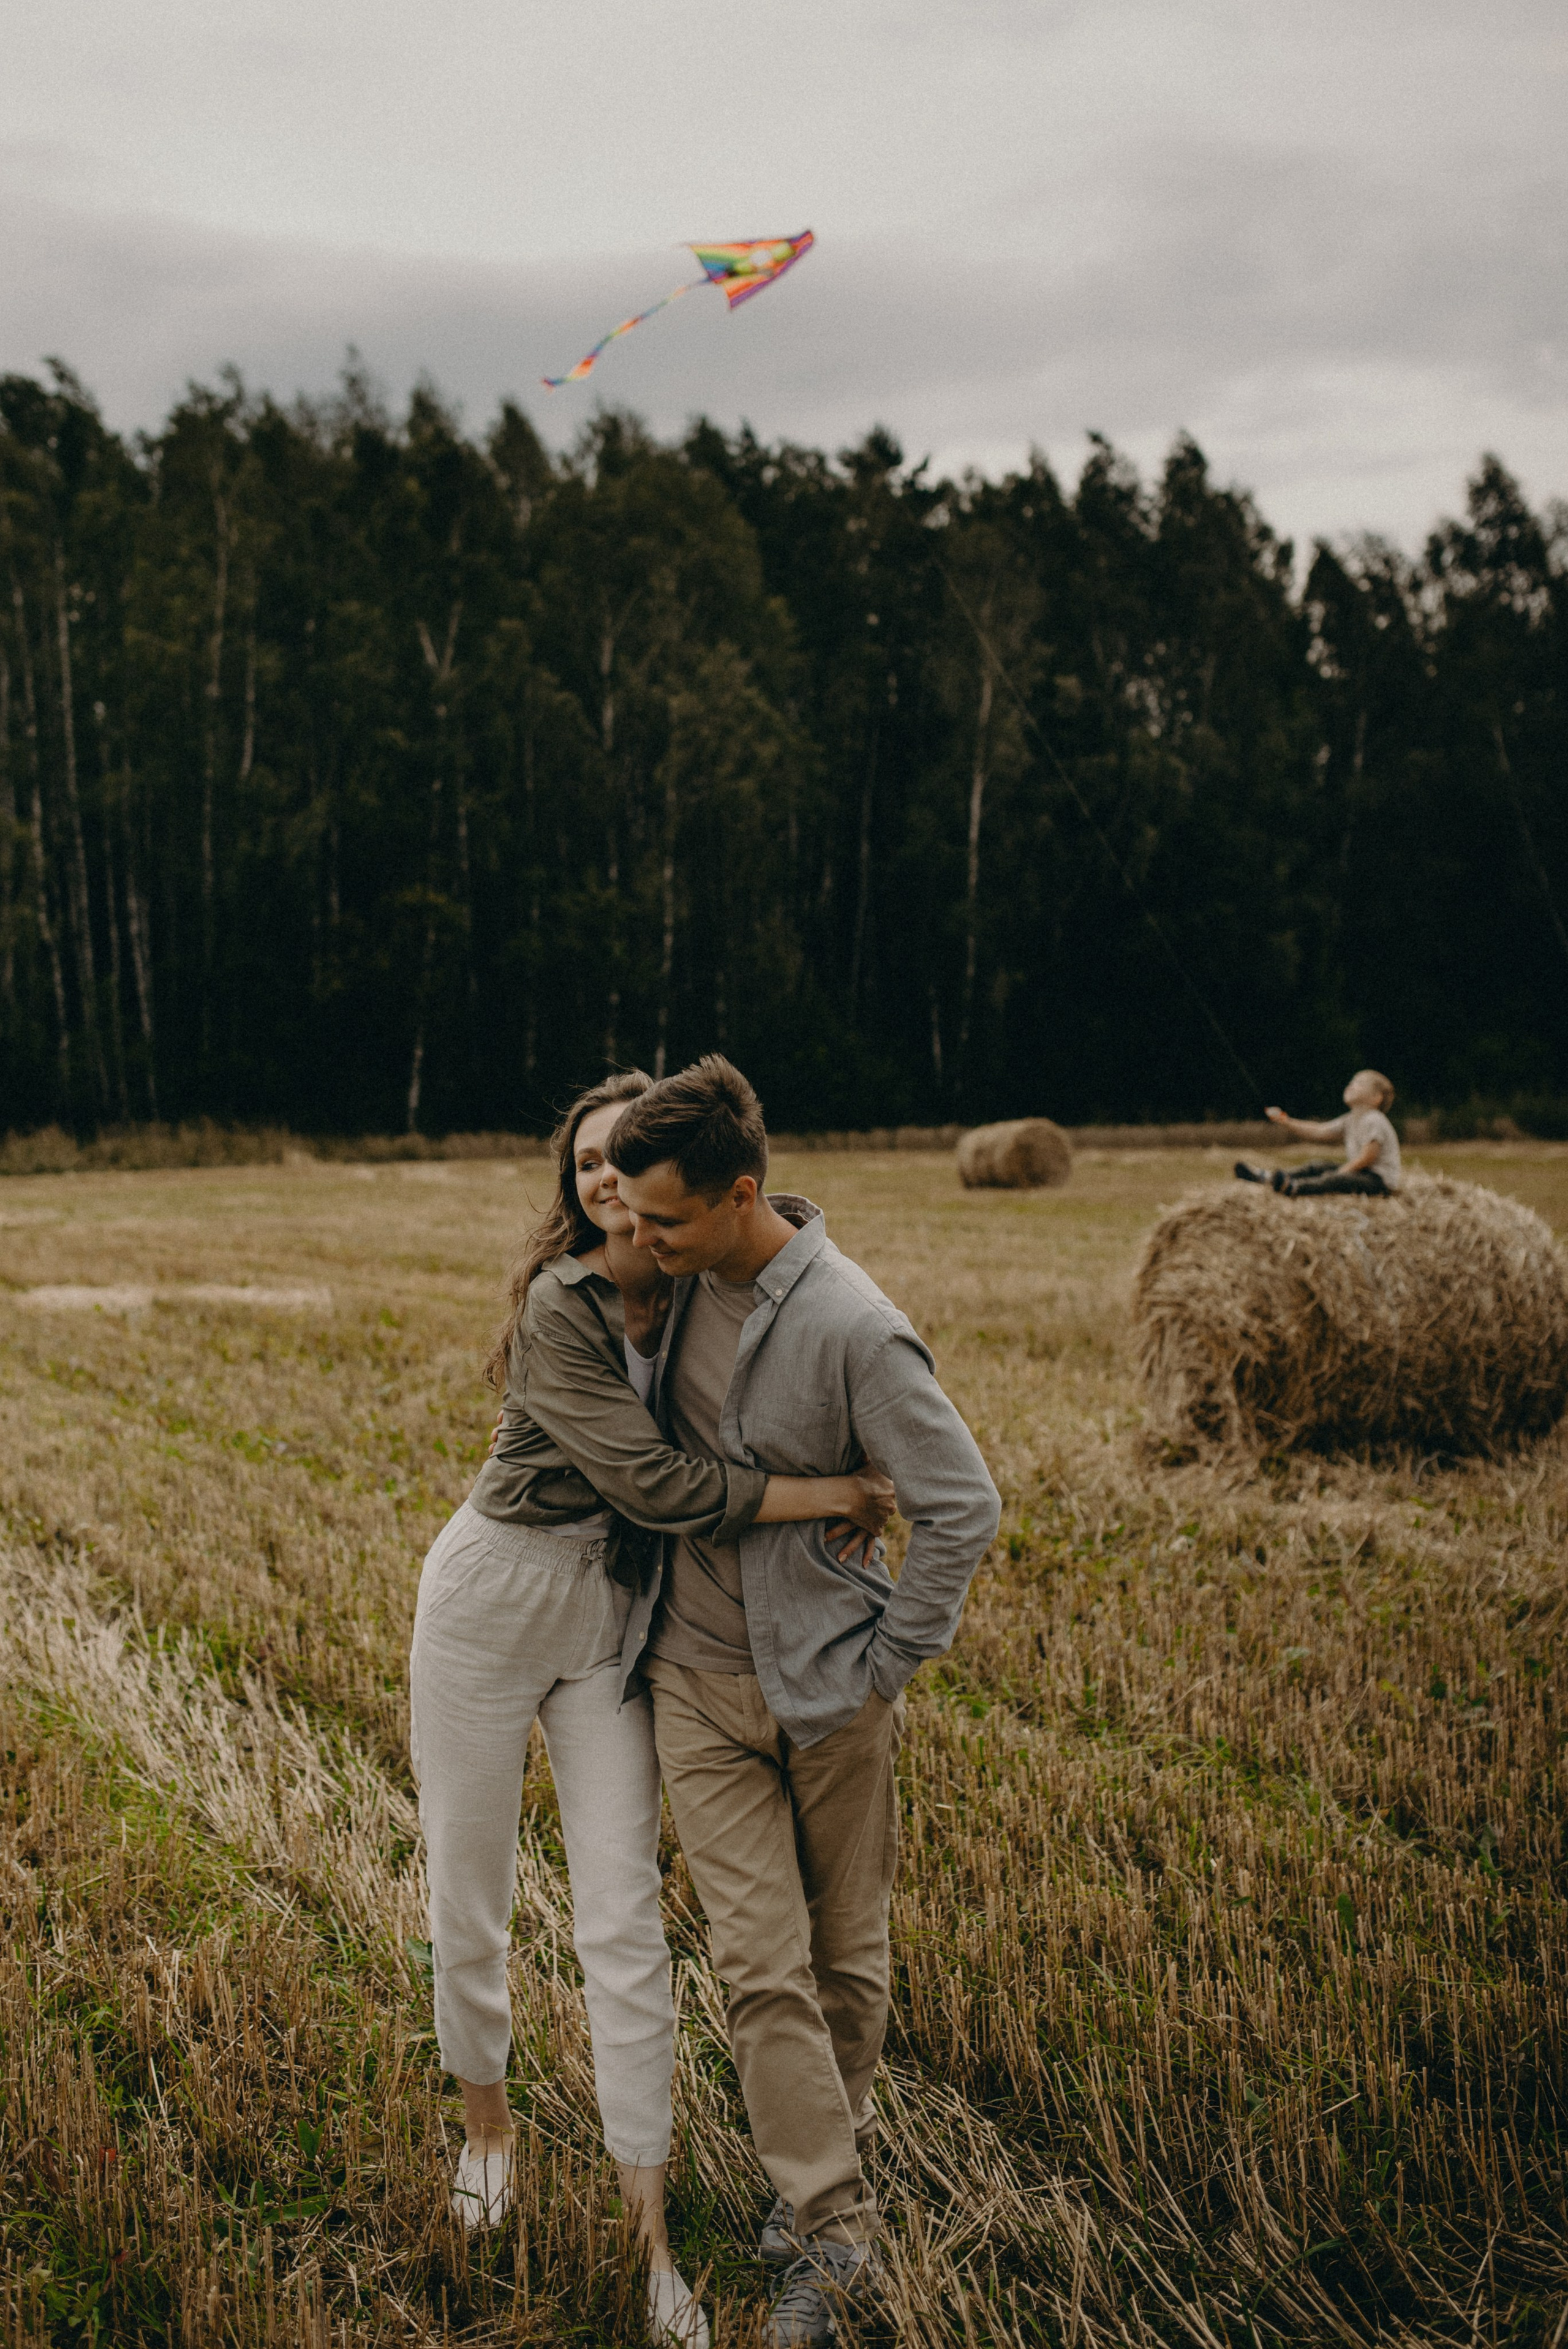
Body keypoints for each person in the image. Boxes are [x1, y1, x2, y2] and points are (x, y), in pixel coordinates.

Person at [409, 1070, 894, 2349]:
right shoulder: (559, 1305)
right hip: (492, 1598)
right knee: (471, 1896)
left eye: (625, 1162)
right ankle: (489, 2139)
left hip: (614, 1615)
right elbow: (655, 1479)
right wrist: (828, 1494)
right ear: (573, 1192)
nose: (607, 1184)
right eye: (584, 1169)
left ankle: (652, 2247)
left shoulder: (695, 1290)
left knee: (625, 1925)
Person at [596, 1056, 1002, 2349]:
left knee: (845, 1959)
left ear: (739, 1196)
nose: (638, 1238)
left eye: (663, 1219)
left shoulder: (848, 1324)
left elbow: (960, 1503)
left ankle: (824, 2144)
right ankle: (833, 2237)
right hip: (695, 1684)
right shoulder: (669, 1291)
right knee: (758, 1969)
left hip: (832, 1691)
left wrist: (889, 1657)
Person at [1234, 1068, 1402, 1197]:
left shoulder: (1374, 1119)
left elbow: (1368, 1157)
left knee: (1335, 1178)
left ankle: (1296, 1188)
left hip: (1379, 1182)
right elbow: (1319, 1131)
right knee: (1318, 1166)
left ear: (1376, 1098)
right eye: (1352, 1081)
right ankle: (1270, 1178)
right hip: (1362, 1174)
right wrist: (1287, 1121)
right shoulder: (1350, 1119)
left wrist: (1342, 1171)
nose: (1351, 1085)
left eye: (1359, 1083)